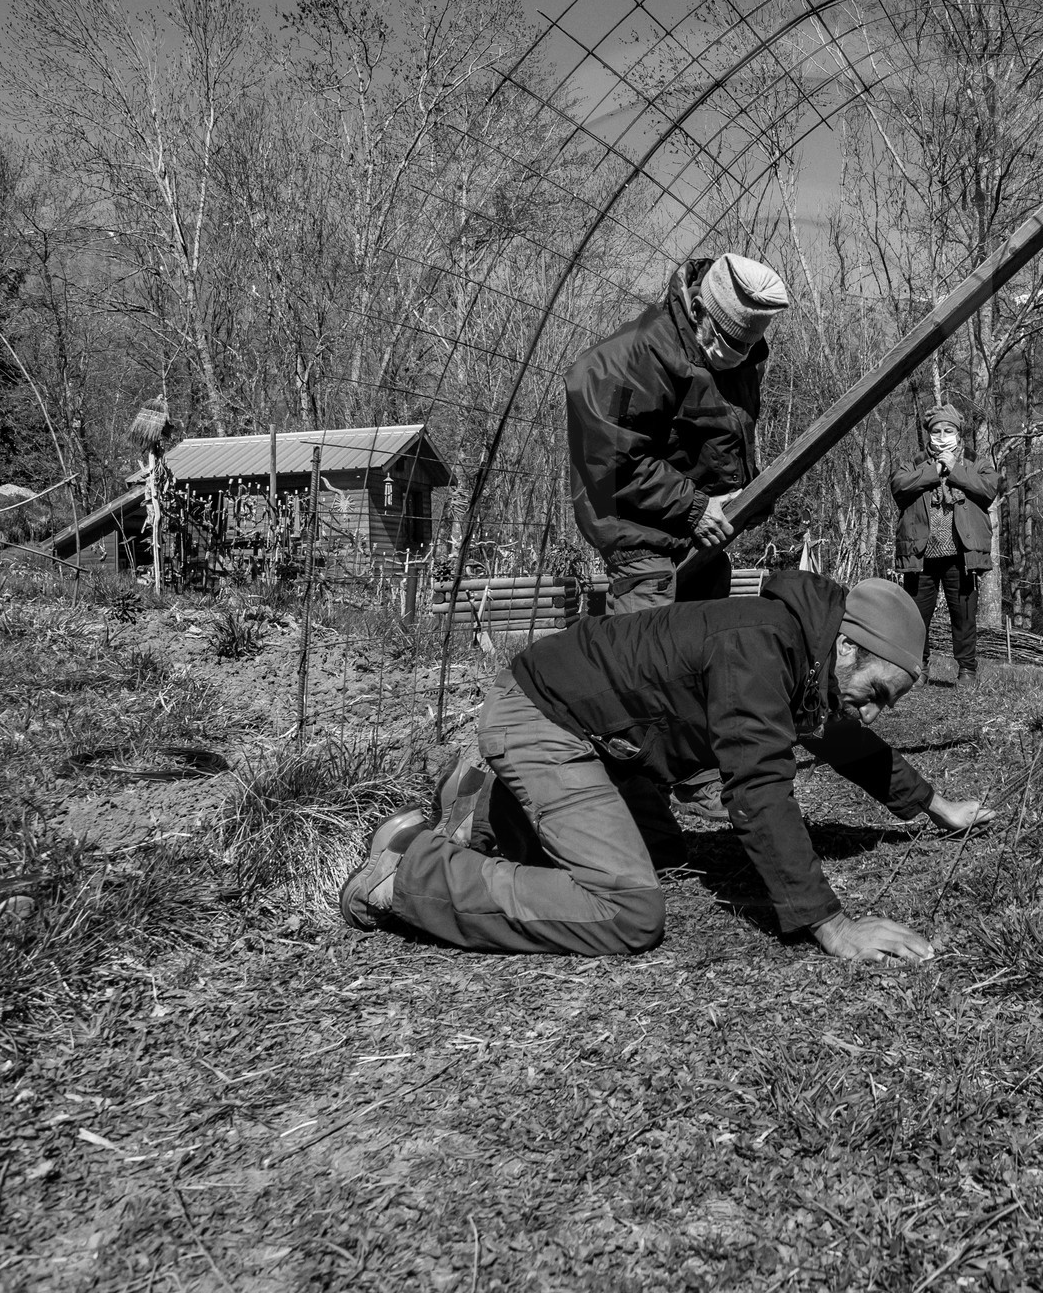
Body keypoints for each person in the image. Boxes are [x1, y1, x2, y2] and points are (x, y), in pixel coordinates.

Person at [339, 572, 995, 961]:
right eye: (876, 694)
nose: (872, 714)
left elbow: (845, 740)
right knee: (625, 910)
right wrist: (833, 926)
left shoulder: (801, 647)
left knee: (658, 847)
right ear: (847, 648)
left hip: (591, 731)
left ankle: (480, 800)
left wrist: (934, 807)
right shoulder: (759, 651)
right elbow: (759, 793)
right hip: (547, 720)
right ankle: (403, 874)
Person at [566, 251, 790, 818]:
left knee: (705, 656)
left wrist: (745, 497)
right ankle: (631, 806)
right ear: (701, 310)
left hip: (700, 532)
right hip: (641, 531)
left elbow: (720, 436)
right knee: (641, 668)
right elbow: (614, 462)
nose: (739, 355)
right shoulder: (628, 358)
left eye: (748, 345)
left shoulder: (735, 354)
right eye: (732, 341)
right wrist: (693, 507)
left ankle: (690, 782)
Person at [890, 403, 1000, 686]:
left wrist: (954, 469)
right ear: (928, 435)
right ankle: (918, 669)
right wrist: (934, 468)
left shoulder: (977, 462)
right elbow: (899, 487)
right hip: (921, 555)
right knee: (916, 617)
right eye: (936, 431)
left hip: (962, 555)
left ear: (958, 433)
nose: (942, 436)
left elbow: (988, 490)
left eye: (948, 430)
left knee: (963, 616)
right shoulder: (914, 464)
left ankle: (967, 671)